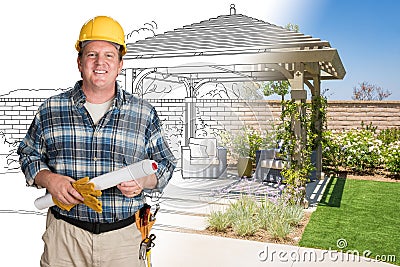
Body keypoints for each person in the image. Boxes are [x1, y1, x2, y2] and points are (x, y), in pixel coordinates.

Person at [17, 15, 176, 267]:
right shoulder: (51, 110)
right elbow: (28, 154)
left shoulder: (143, 113)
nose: (100, 62)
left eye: (109, 55)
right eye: (91, 55)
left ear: (120, 64)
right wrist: (50, 179)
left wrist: (143, 181)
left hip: (123, 239)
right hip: (65, 237)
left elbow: (165, 164)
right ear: (80, 62)